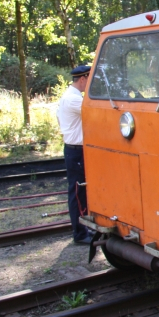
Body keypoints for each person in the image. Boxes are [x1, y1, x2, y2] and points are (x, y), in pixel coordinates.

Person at [57, 65, 93, 244]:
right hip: (76, 150)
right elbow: (95, 113)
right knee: (78, 192)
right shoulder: (74, 100)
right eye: (90, 80)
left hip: (75, 149)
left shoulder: (70, 96)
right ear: (83, 79)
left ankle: (83, 229)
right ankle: (80, 233)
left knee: (80, 190)